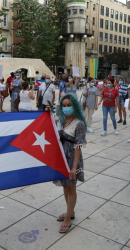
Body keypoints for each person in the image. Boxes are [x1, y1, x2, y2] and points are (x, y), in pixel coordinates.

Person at [52, 94, 86, 234]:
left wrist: (73, 167)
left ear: (75, 106)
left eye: (69, 105)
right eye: (64, 106)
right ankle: (69, 212)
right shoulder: (61, 120)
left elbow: (78, 146)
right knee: (65, 188)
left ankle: (68, 219)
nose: (66, 108)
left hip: (73, 159)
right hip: (61, 158)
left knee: (71, 189)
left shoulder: (79, 123)